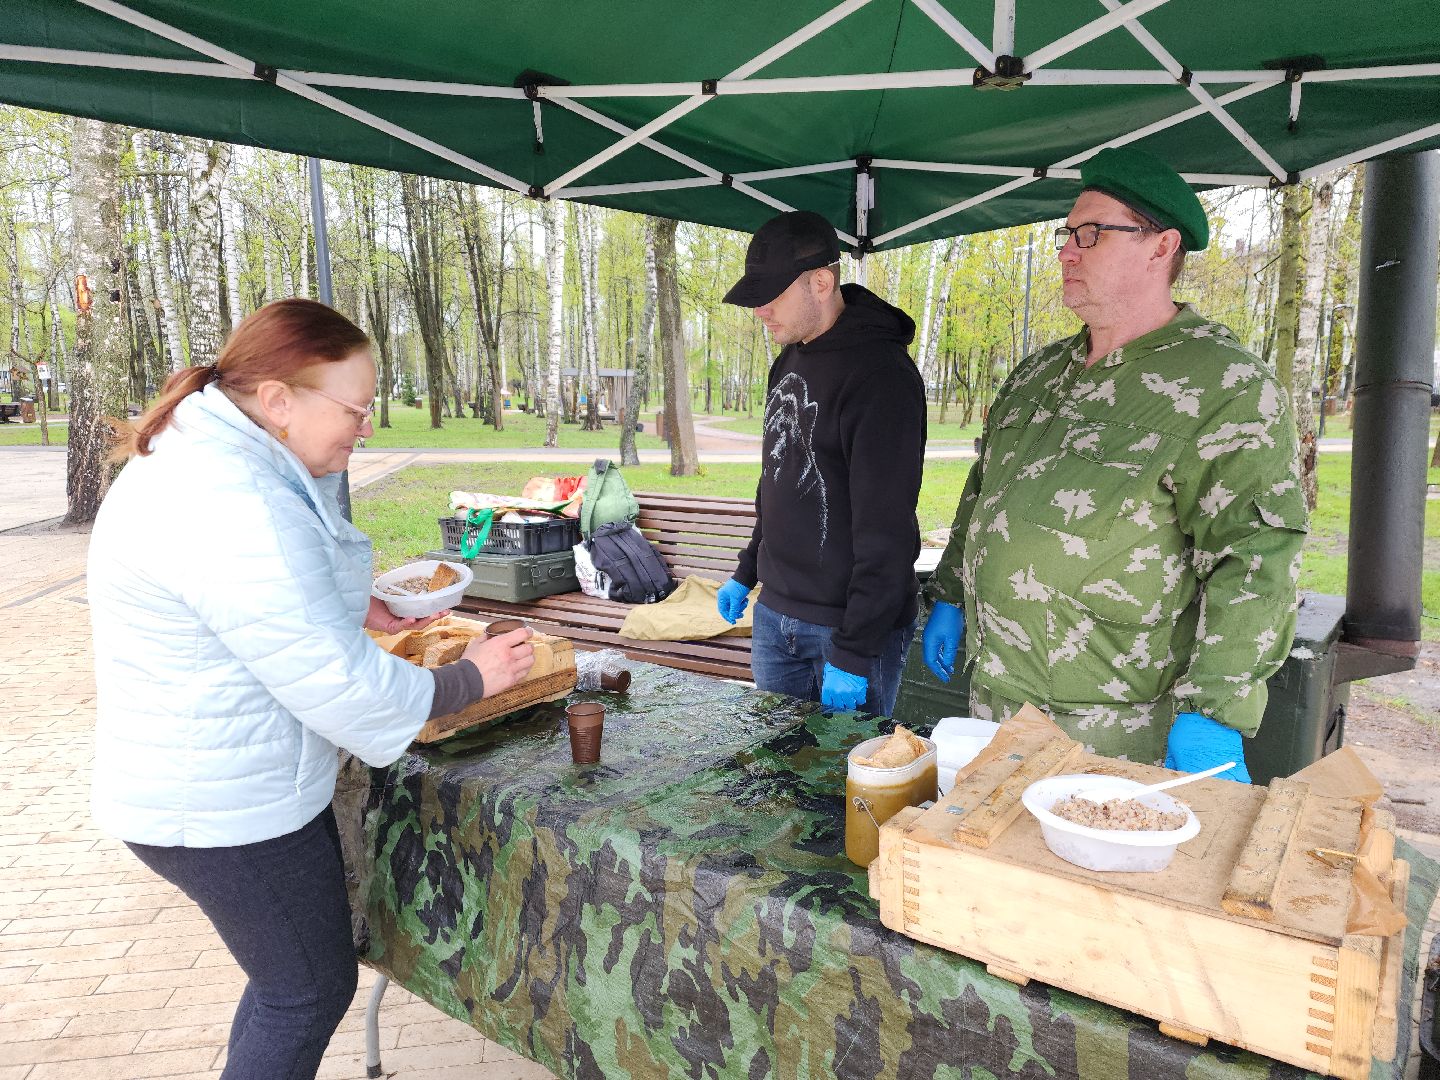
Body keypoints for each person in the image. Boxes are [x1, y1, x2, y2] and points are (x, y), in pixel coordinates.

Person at [88, 299, 535, 1079]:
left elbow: (261, 601)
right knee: (304, 991)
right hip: (224, 806)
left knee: (284, 984)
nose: (366, 429)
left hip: (208, 786)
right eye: (356, 410)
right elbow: (336, 681)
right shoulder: (232, 497)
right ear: (279, 400)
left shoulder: (225, 458)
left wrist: (358, 605)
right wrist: (470, 678)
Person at [921, 147, 1308, 780]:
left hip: (1111, 728)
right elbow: (981, 494)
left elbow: (1257, 555)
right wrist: (952, 592)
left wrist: (1216, 707)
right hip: (997, 699)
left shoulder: (1226, 387)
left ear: (1162, 248)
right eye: (1067, 236)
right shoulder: (1039, 373)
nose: (1068, 251)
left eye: (1092, 234)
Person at [715, 210, 926, 716]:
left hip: (846, 628)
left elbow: (888, 531)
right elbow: (778, 482)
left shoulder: (882, 377)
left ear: (821, 282)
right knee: (775, 778)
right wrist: (748, 569)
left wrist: (854, 652)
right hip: (774, 616)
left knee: (844, 788)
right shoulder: (788, 358)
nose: (760, 311)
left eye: (770, 295)